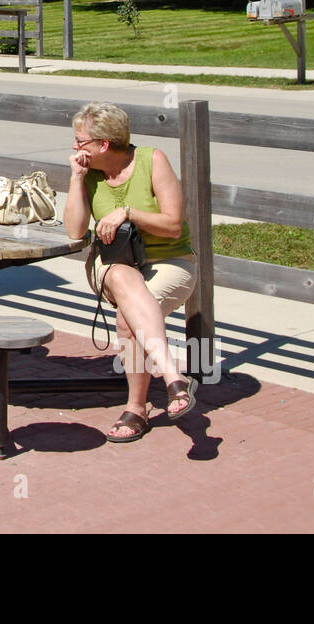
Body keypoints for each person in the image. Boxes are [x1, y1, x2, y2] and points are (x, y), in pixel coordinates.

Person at [64, 101, 199, 442]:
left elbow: (171, 226)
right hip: (112, 261)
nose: (75, 147)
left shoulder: (153, 160)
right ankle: (173, 378)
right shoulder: (88, 172)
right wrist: (76, 178)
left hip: (170, 260)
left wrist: (128, 212)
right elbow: (74, 231)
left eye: (80, 141)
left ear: (103, 145)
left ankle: (137, 409)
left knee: (128, 318)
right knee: (123, 277)